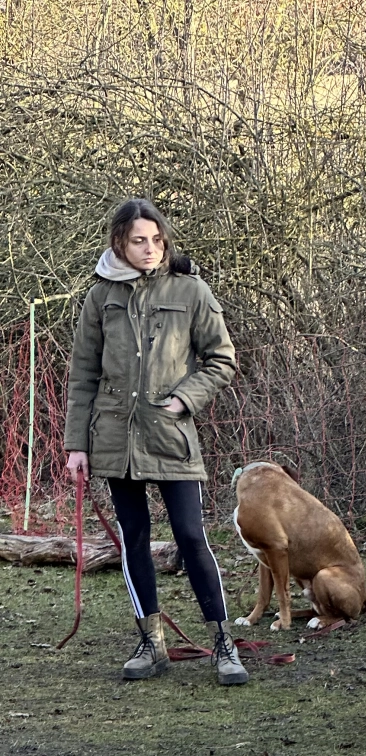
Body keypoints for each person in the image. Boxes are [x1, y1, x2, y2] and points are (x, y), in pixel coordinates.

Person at [64, 198, 245, 685]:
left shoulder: (191, 290)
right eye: (138, 240)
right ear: (119, 242)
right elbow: (82, 375)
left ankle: (224, 643)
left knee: (190, 535)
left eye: (156, 240)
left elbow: (221, 360)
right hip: (113, 439)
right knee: (135, 539)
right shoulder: (100, 297)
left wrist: (183, 400)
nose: (149, 249)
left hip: (171, 435)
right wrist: (75, 445)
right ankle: (151, 642)